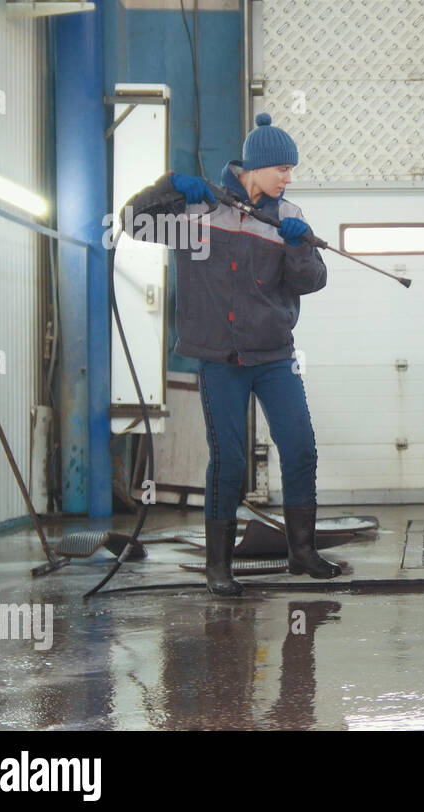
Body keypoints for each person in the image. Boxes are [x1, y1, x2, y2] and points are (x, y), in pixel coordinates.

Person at [123, 112, 341, 596]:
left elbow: (312, 281)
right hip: (220, 358)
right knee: (228, 458)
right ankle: (218, 567)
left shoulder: (288, 216)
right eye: (283, 168)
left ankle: (302, 552)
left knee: (300, 447)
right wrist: (169, 186)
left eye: (291, 170)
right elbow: (133, 224)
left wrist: (299, 248)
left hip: (273, 356)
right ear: (255, 166)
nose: (289, 177)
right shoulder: (196, 212)